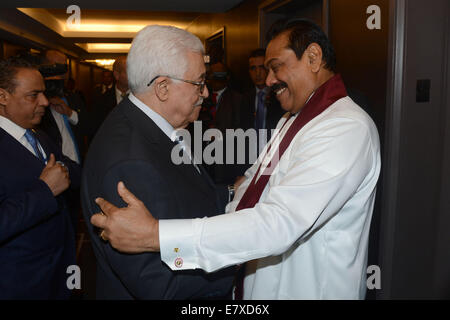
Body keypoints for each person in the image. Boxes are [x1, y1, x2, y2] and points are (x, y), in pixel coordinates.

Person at [92, 19, 381, 299]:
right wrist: (238, 189)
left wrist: (156, 235)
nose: (268, 81)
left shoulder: (345, 128)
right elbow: (251, 186)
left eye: (275, 67)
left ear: (314, 58)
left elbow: (277, 224)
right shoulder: (292, 121)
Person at [81, 25, 235, 300]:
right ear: (163, 87)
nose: (206, 93)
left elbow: (188, 197)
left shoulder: (149, 125)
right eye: (199, 83)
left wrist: (235, 193)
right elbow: (162, 285)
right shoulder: (130, 162)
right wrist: (241, 268)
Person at [0, 56, 79, 299]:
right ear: (2, 97)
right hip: (19, 284)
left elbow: (74, 173)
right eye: (33, 95)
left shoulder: (37, 135)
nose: (45, 102)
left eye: (43, 93)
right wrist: (45, 190)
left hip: (57, 274)